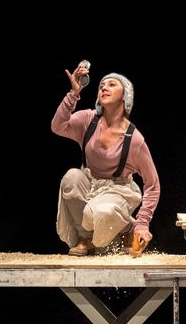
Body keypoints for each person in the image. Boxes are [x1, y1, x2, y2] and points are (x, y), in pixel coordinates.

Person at [52, 62, 159, 256]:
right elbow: (58, 126)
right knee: (71, 177)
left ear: (125, 96)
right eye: (101, 85)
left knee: (95, 213)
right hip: (90, 183)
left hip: (117, 190)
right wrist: (74, 93)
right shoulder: (88, 120)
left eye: (112, 84)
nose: (104, 88)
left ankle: (128, 227)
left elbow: (152, 184)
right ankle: (86, 238)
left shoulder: (134, 139)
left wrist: (142, 223)